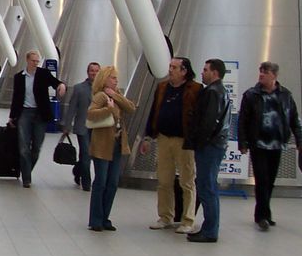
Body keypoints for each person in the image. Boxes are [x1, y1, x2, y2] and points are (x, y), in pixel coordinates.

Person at [237, 61, 302, 231]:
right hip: (258, 144)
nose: (261, 75)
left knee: (270, 181)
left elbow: (294, 120)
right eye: (260, 71)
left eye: (265, 72)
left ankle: (262, 212)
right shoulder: (251, 95)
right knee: (262, 179)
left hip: (277, 143)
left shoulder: (285, 96)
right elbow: (243, 121)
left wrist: (300, 141)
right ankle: (263, 216)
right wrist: (243, 142)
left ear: (274, 75)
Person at [139, 57, 201, 233]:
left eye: (174, 67)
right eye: (170, 66)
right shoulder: (162, 88)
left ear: (184, 71)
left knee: (187, 181)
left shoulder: (195, 89)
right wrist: (148, 137)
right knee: (164, 180)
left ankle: (187, 220)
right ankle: (165, 216)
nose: (170, 70)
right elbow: (154, 112)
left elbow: (198, 116)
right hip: (164, 139)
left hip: (184, 142)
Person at [185, 59, 230, 243]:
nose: (201, 73)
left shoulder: (212, 92)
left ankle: (210, 230)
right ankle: (209, 227)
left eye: (205, 70)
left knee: (206, 186)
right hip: (216, 144)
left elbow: (208, 122)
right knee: (208, 185)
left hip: (210, 146)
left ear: (215, 73)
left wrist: (199, 141)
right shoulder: (221, 91)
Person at [86, 65, 135, 231]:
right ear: (105, 79)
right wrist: (107, 108)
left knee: (113, 182)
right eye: (113, 78)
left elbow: (131, 108)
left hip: (118, 144)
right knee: (101, 181)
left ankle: (105, 217)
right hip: (102, 144)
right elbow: (91, 114)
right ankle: (96, 219)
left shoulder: (116, 95)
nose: (116, 81)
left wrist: (116, 96)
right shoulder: (100, 96)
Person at [9, 50, 66, 188]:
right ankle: (27, 178)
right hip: (24, 113)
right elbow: (16, 98)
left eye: (37, 61)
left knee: (36, 148)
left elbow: (55, 82)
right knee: (23, 147)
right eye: (33, 61)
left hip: (40, 114)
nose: (35, 63)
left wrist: (61, 86)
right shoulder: (19, 77)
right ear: (27, 60)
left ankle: (26, 170)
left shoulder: (43, 74)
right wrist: (12, 116)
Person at [61, 62, 100, 191]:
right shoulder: (79, 88)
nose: (94, 73)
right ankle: (87, 183)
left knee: (89, 155)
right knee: (85, 153)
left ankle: (78, 170)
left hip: (98, 128)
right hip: (82, 127)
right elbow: (72, 108)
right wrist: (67, 126)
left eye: (96, 71)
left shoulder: (104, 89)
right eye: (92, 71)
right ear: (88, 72)